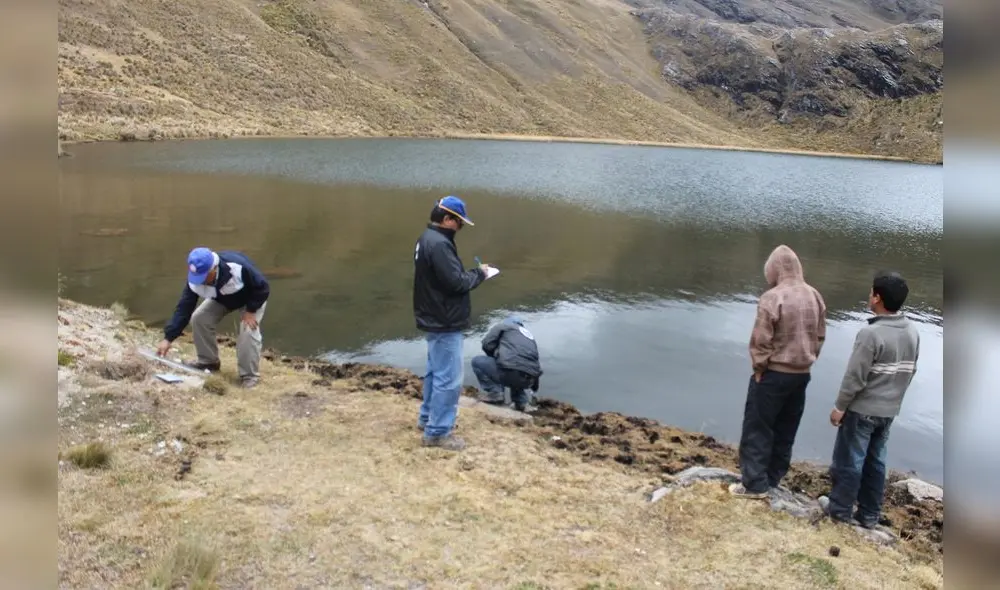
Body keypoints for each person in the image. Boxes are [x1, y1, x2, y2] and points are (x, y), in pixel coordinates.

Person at [730, 244, 827, 499]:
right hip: (802, 374)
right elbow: (820, 335)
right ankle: (773, 478)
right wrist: (808, 359)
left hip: (773, 373)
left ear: (774, 269)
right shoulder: (814, 295)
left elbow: (761, 339)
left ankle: (754, 485)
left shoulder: (773, 297)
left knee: (758, 427)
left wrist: (759, 367)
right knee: (786, 427)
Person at [823, 271, 919, 527]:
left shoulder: (870, 334)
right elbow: (911, 371)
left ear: (877, 298)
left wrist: (840, 407)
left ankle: (840, 511)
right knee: (876, 462)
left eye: (871, 292)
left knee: (850, 461)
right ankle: (869, 515)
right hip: (888, 411)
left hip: (862, 410)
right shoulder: (912, 330)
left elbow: (854, 377)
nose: (869, 296)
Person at [413, 196, 490, 451]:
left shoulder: (427, 238)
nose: (461, 228)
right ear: (447, 219)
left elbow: (444, 278)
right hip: (444, 320)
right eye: (460, 223)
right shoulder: (440, 245)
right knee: (449, 379)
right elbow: (456, 283)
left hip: (434, 316)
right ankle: (437, 433)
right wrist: (480, 274)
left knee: (436, 372)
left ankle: (427, 420)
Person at [156, 247, 270, 389]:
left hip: (251, 298)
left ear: (214, 268)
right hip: (222, 298)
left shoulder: (237, 266)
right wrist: (168, 338)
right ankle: (208, 362)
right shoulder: (195, 276)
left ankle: (249, 376)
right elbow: (184, 308)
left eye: (204, 276)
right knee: (199, 318)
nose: (200, 281)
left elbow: (263, 287)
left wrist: (251, 310)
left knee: (248, 330)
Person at [471, 315, 543, 412]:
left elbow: (487, 345)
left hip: (510, 373)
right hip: (530, 379)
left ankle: (495, 393)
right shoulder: (529, 336)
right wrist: (534, 388)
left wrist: (496, 356)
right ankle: (521, 402)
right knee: (517, 367)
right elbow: (532, 363)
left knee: (477, 361)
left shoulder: (503, 326)